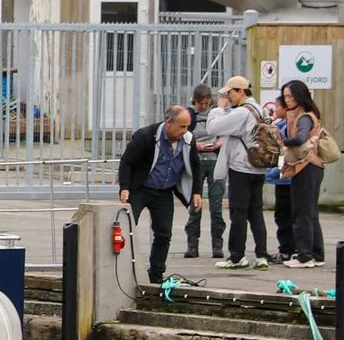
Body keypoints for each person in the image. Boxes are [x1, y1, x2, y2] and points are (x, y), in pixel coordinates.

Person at [117, 106, 202, 283]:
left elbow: (195, 166)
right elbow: (126, 161)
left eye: (187, 126)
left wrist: (196, 192)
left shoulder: (187, 139)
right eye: (181, 126)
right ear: (168, 123)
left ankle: (156, 273)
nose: (185, 130)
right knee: (127, 227)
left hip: (164, 190)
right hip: (141, 188)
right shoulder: (146, 136)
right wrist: (124, 187)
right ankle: (121, 270)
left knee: (164, 233)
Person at [206, 75, 272, 268]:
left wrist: (219, 108)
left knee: (238, 212)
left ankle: (237, 257)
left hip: (241, 167)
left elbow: (213, 128)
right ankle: (261, 255)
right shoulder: (260, 109)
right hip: (258, 168)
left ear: (241, 91)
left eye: (230, 93)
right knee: (256, 212)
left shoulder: (242, 112)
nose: (228, 96)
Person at [274, 81, 326, 267]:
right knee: (310, 212)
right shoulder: (305, 114)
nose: (287, 100)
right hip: (313, 167)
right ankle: (317, 255)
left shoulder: (303, 116)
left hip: (305, 166)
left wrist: (282, 140)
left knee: (301, 212)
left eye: (290, 96)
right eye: (285, 96)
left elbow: (301, 137)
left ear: (300, 96)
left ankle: (304, 256)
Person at [184, 83, 226, 262]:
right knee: (195, 205)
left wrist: (219, 143)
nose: (204, 107)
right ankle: (192, 245)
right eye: (201, 103)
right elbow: (183, 135)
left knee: (216, 206)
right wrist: (195, 145)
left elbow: (226, 132)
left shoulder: (216, 114)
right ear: (195, 101)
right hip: (197, 161)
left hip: (214, 160)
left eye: (206, 103)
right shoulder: (189, 116)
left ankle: (217, 244)